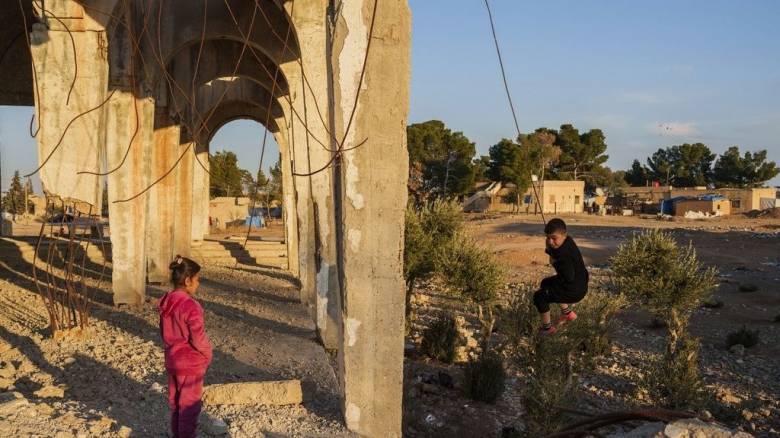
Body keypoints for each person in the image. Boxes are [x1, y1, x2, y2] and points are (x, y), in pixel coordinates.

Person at [159, 256, 212, 438]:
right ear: (188, 280)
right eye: (197, 279)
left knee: (175, 404)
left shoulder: (166, 302)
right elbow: (198, 338)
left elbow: (163, 332)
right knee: (189, 407)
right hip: (190, 365)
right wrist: (207, 353)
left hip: (172, 361)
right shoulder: (191, 306)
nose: (198, 283)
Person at [534, 218, 589, 335]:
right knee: (545, 283)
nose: (550, 241)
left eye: (554, 238)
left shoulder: (564, 256)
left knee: (539, 296)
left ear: (564, 235)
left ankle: (547, 329)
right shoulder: (568, 241)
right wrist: (551, 250)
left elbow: (567, 276)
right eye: (548, 237)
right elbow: (555, 250)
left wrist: (555, 263)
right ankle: (568, 313)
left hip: (574, 290)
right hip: (580, 283)